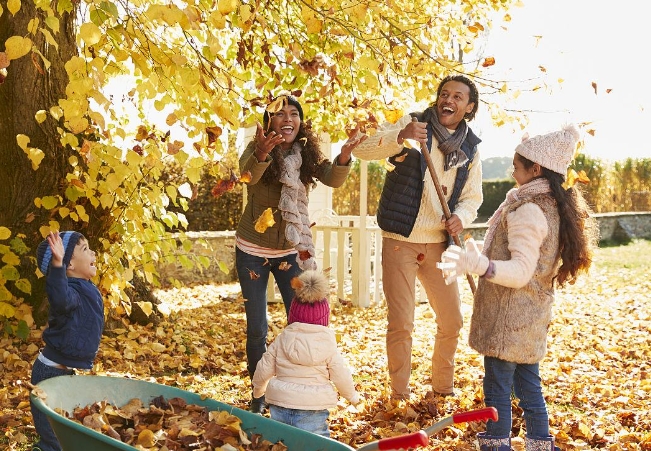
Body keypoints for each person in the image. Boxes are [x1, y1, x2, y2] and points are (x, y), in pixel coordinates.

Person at [438, 124, 598, 451]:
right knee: (528, 386)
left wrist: (480, 265)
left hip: (509, 319)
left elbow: (522, 270)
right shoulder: (550, 205)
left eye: (516, 164)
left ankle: (497, 444)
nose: (512, 169)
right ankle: (541, 443)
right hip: (530, 315)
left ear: (536, 169)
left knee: (497, 387)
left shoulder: (528, 209)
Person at [351, 74, 483, 399]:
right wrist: (400, 135)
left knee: (452, 320)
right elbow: (363, 150)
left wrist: (460, 217)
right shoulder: (413, 125)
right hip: (400, 240)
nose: (448, 100)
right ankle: (399, 395)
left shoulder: (470, 148)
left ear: (469, 107)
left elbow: (472, 197)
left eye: (457, 97)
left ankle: (442, 389)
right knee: (402, 322)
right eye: (444, 94)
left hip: (439, 243)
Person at [235, 94, 366, 413]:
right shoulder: (255, 149)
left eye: (294, 114)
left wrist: (345, 155)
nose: (287, 118)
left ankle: (302, 388)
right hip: (252, 250)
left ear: (300, 122)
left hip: (291, 251)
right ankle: (258, 394)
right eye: (280, 114)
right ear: (270, 122)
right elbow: (248, 176)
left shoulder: (306, 153)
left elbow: (333, 178)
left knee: (306, 323)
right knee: (258, 327)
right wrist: (263, 151)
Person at [252, 270, 360, 436]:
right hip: (313, 408)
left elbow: (264, 367)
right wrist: (352, 396)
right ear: (324, 318)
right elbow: (340, 374)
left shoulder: (282, 339)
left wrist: (258, 390)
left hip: (281, 404)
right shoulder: (328, 345)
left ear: (293, 314)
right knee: (316, 443)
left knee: (280, 441)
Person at [31, 231, 104, 451]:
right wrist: (56, 264)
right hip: (49, 373)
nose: (92, 252)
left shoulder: (85, 288)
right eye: (85, 249)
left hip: (63, 373)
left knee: (66, 431)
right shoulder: (68, 293)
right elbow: (59, 295)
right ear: (69, 264)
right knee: (53, 440)